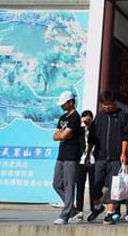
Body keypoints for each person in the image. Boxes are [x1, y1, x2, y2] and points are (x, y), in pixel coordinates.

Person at [86, 91, 128, 225]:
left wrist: (123, 153)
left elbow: (125, 136)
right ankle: (98, 207)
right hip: (100, 157)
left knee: (114, 186)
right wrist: (88, 153)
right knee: (95, 184)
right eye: (103, 105)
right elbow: (92, 138)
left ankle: (110, 213)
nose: (106, 107)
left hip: (116, 158)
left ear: (113, 103)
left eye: (108, 104)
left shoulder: (122, 116)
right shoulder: (99, 117)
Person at [52, 91, 82, 225]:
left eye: (64, 103)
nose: (62, 106)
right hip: (61, 154)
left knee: (69, 185)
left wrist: (62, 135)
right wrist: (62, 135)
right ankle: (73, 210)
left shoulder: (75, 117)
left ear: (71, 102)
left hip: (71, 155)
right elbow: (55, 136)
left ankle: (65, 215)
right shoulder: (62, 117)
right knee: (56, 183)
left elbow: (62, 136)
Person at [71, 110, 98, 222]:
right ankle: (79, 211)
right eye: (85, 120)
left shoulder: (96, 130)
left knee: (93, 187)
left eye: (89, 120)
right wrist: (81, 121)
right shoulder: (80, 131)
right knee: (80, 186)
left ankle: (93, 210)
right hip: (81, 161)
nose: (87, 122)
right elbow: (73, 131)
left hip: (93, 160)